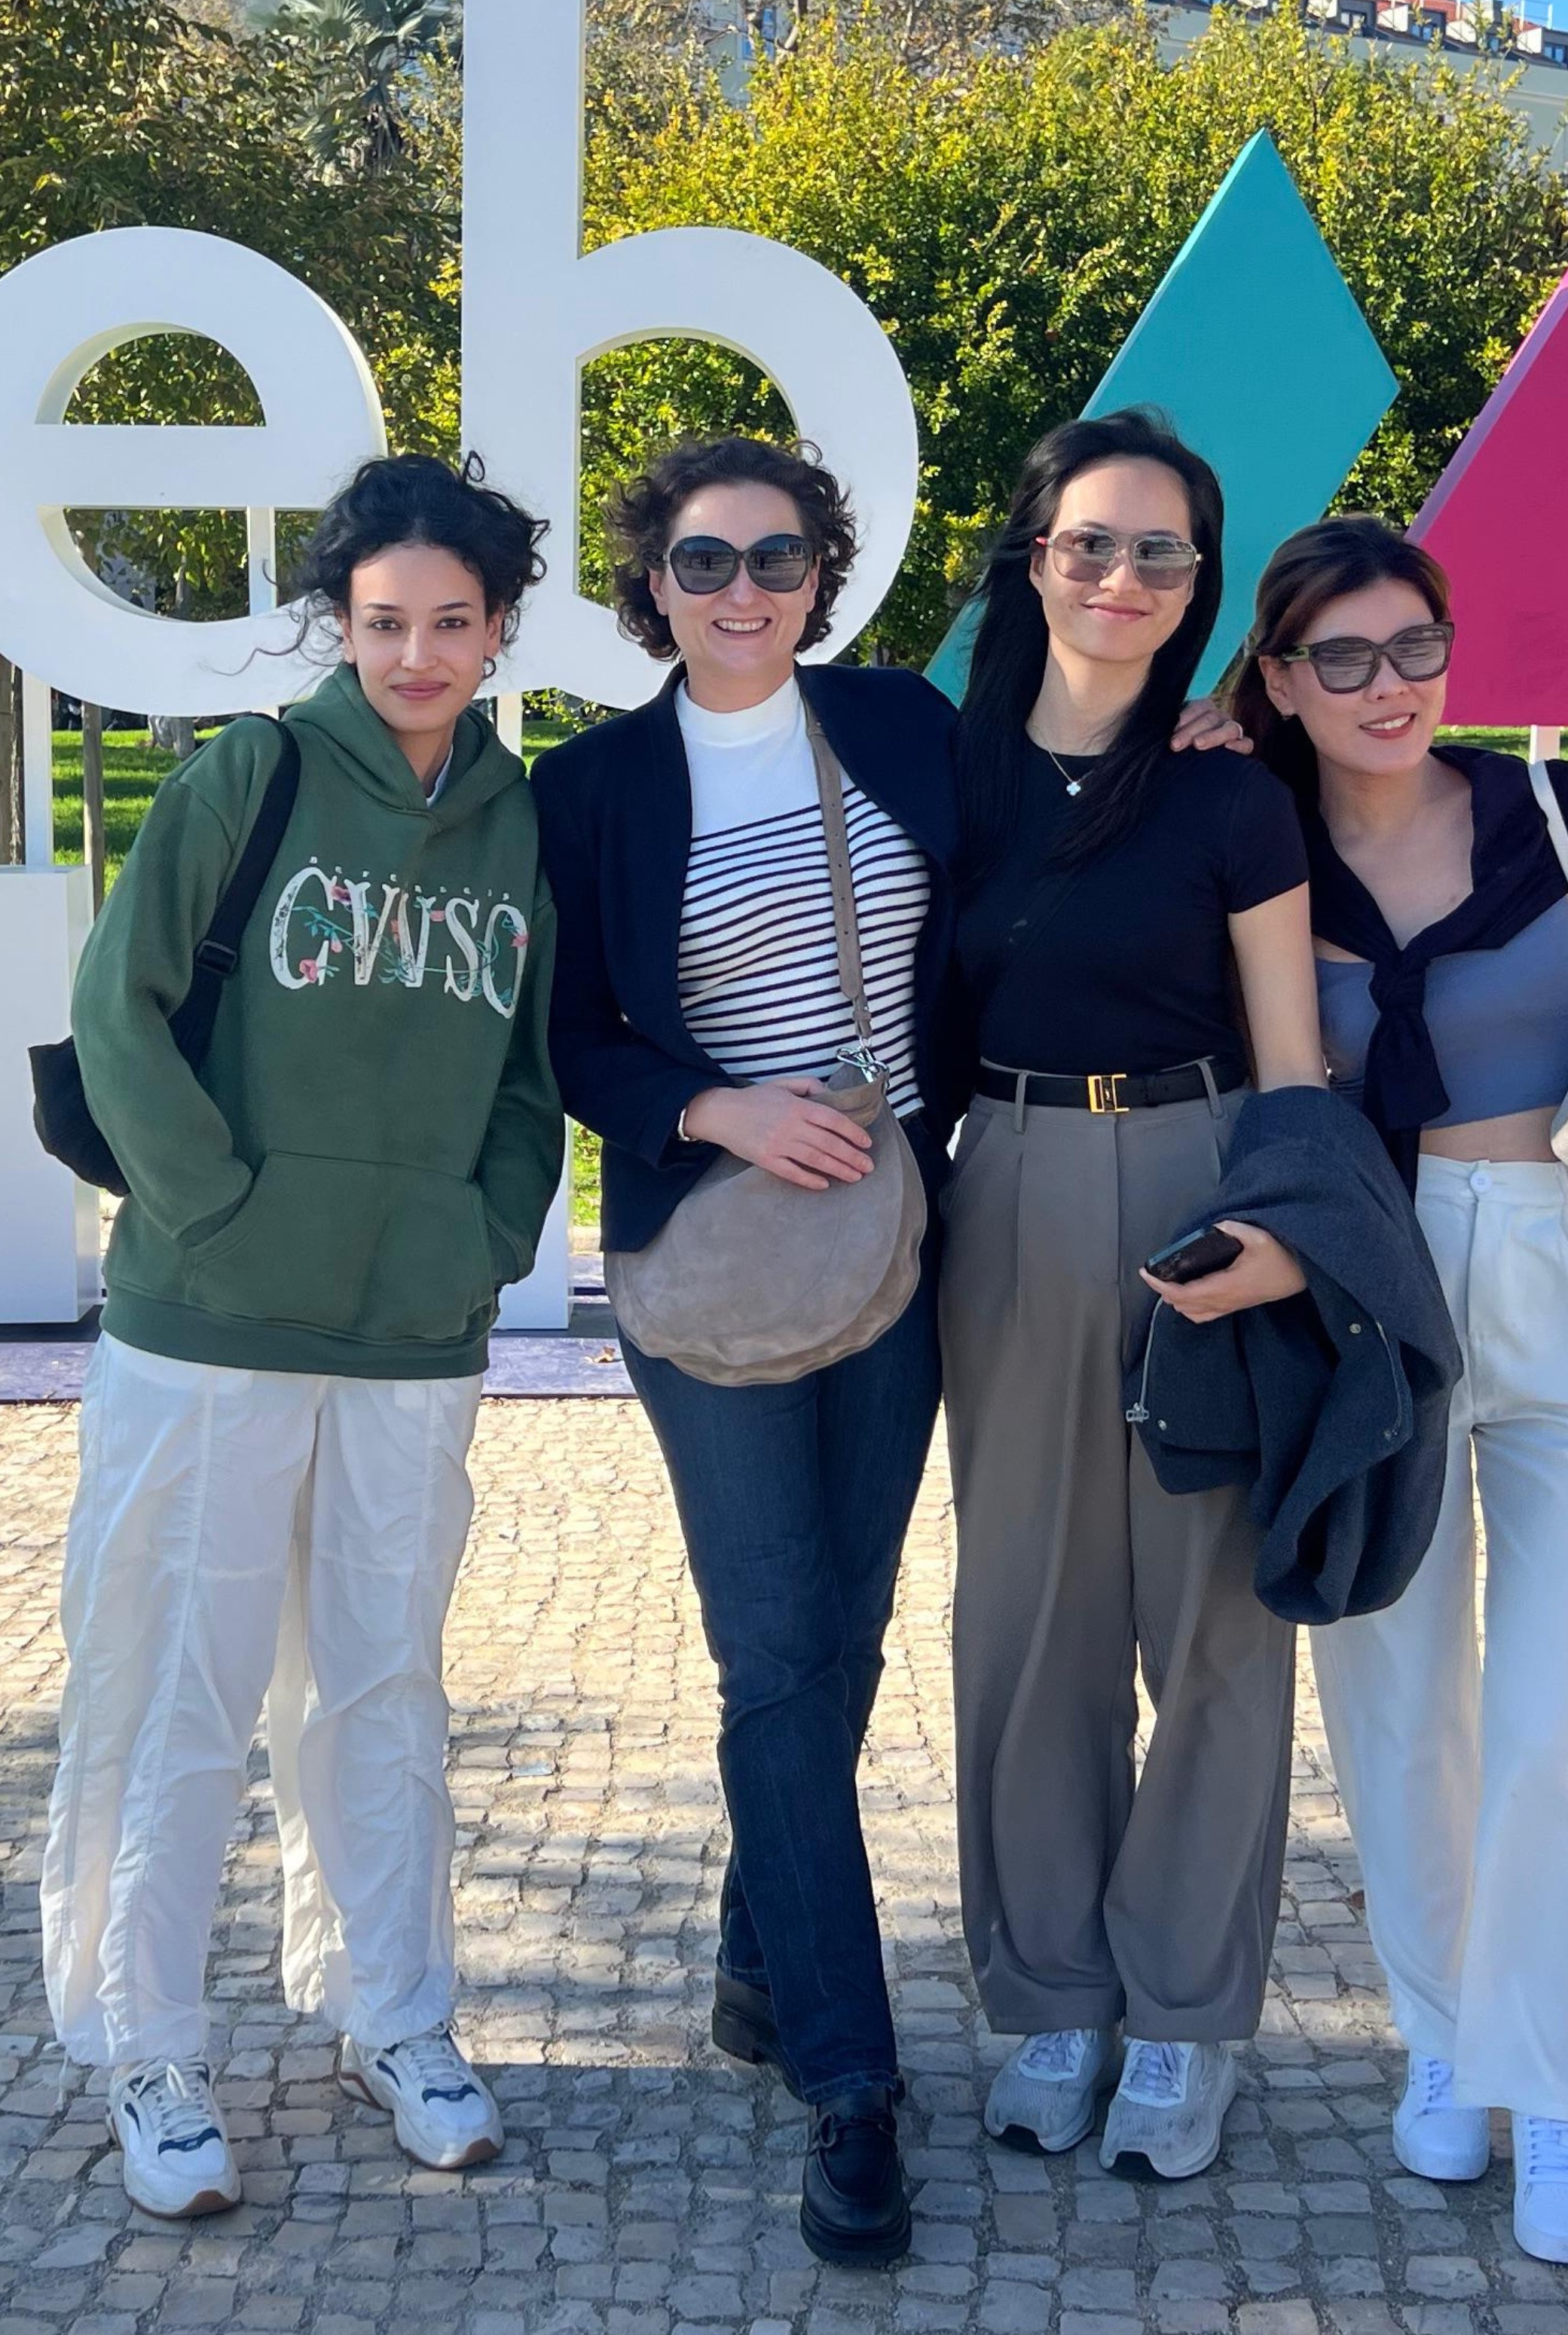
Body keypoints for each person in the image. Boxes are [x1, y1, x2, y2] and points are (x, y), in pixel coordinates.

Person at [35, 453, 569, 2221]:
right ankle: (152, 2046)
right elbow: (120, 1004)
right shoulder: (251, 774)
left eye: (451, 622)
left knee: (379, 1687)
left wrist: (482, 1235)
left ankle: (392, 2010)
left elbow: (527, 1074)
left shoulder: (520, 823)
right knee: (174, 1684)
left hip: (412, 1332)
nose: (416, 653)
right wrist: (213, 1206)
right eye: (382, 620)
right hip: (209, 1321)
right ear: (337, 625)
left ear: (500, 631)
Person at [1218, 518, 1568, 2263]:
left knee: (1541, 1729)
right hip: (1371, 1292)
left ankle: (1555, 2090)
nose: (1387, 686)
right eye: (1339, 657)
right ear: (1280, 676)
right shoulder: (1258, 838)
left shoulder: (1559, 813)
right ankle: (1441, 2038)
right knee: (1396, 1708)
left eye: (1412, 646)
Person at [528, 434, 958, 2269]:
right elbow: (568, 1036)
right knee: (774, 1644)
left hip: (910, 1239)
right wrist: (716, 1105)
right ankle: (850, 2089)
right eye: (704, 562)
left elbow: (1050, 836)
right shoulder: (595, 784)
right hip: (713, 1250)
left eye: (777, 557)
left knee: (841, 1632)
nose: (742, 589)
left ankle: (755, 1949)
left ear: (821, 572)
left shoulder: (907, 731)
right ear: (653, 584)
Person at [940, 411, 1325, 2185]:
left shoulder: (1232, 790)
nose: (1123, 577)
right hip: (1003, 1183)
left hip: (1197, 1186)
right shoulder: (945, 774)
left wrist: (1283, 1237)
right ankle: (1052, 1989)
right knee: (1030, 1614)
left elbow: (1294, 1060)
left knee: (1215, 1619)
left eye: (1162, 552)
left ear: (1200, 584)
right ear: (1034, 558)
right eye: (1092, 543)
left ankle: (1181, 2015)